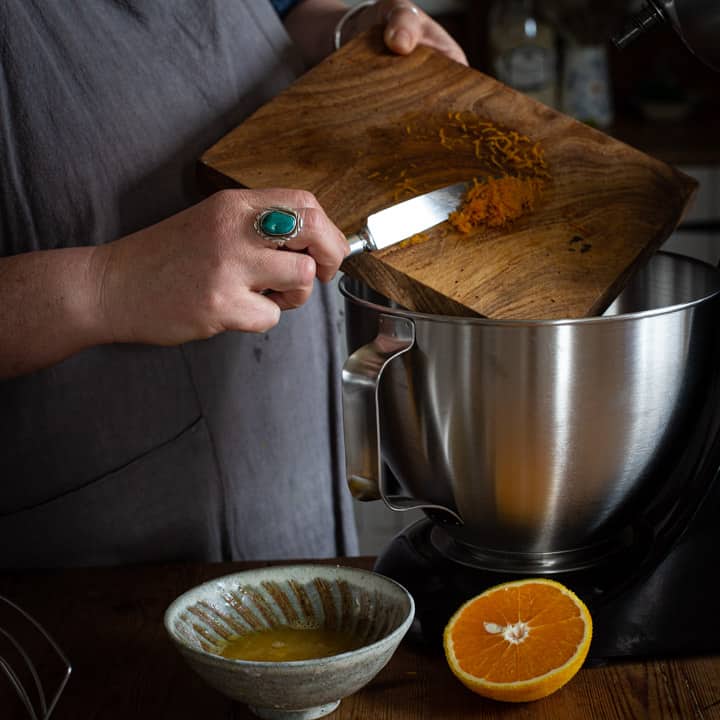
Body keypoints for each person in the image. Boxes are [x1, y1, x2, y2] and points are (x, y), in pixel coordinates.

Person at [0, 0, 467, 568]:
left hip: (286, 448)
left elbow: (287, 15)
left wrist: (351, 34)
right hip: (95, 551)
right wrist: (107, 285)